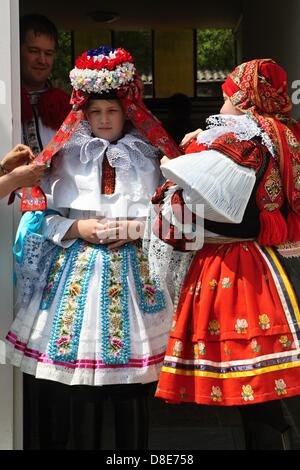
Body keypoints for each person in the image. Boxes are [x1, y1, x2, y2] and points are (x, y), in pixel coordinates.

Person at [5, 45, 180, 450]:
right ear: (83, 113)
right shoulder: (65, 157)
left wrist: (138, 227)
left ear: (129, 112)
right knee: (80, 387)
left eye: (112, 112)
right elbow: (40, 216)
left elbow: (178, 217)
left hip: (135, 282)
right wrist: (76, 227)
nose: (103, 120)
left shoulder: (152, 158)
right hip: (77, 282)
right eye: (96, 112)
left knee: (133, 389)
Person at [149, 59, 300, 450]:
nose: (221, 106)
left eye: (227, 97)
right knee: (264, 392)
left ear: (243, 99)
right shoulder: (281, 137)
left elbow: (241, 220)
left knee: (257, 387)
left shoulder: (242, 142)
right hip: (270, 264)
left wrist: (174, 171)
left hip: (243, 269)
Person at [20, 14, 70, 156]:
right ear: (16, 51)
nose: (42, 60)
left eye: (48, 53)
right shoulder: (5, 103)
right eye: (34, 51)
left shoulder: (66, 107)